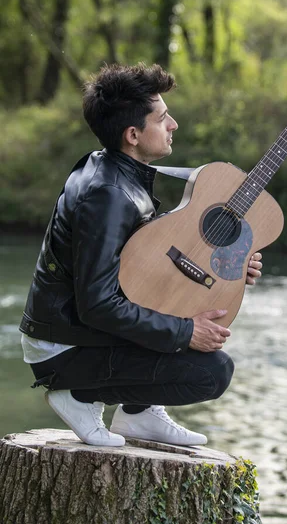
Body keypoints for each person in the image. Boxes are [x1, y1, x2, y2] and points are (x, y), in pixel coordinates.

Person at [20, 63, 262, 447]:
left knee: (184, 314)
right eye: (163, 118)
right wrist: (186, 332)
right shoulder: (108, 195)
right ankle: (77, 394)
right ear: (133, 134)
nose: (174, 124)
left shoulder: (116, 170)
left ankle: (138, 413)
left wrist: (227, 263)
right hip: (65, 346)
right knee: (212, 372)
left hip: (75, 328)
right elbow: (98, 304)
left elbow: (144, 263)